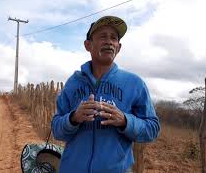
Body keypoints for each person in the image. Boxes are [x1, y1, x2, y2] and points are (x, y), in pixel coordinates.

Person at [51, 15, 160, 173]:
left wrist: (125, 121)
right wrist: (73, 118)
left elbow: (152, 128)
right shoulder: (73, 83)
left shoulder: (134, 83)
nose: (109, 41)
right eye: (102, 36)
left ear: (119, 47)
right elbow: (56, 129)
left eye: (114, 38)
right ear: (88, 45)